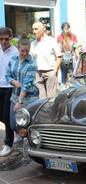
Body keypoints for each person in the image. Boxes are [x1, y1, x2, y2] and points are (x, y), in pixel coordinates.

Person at [5, 35, 39, 156]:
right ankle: (21, 137)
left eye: (27, 51)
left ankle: (30, 147)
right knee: (12, 123)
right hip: (14, 95)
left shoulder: (32, 64)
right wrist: (14, 82)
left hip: (28, 98)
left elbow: (26, 85)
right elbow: (7, 76)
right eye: (22, 50)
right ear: (18, 49)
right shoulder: (13, 59)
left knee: (26, 123)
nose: (24, 53)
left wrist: (20, 102)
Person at [30, 22, 63, 98]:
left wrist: (54, 72)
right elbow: (31, 58)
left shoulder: (51, 41)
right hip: (38, 74)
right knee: (41, 100)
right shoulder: (33, 43)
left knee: (51, 99)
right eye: (33, 29)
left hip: (49, 72)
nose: (33, 31)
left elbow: (59, 56)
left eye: (36, 29)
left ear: (42, 30)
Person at [0, 27, 18, 156]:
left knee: (6, 115)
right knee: (4, 116)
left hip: (10, 87)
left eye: (6, 39)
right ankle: (15, 130)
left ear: (10, 38)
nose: (4, 41)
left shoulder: (15, 52)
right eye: (1, 39)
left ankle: (8, 144)